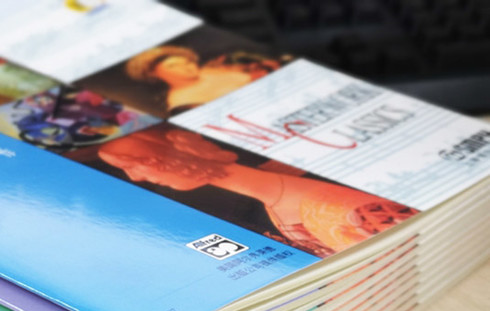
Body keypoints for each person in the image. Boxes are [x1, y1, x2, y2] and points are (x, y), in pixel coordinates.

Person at [96, 127, 417, 257]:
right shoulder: (280, 204)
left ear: (176, 154)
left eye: (136, 164)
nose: (135, 178)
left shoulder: (324, 206)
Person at [125, 45, 282, 116]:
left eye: (187, 62)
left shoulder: (218, 67)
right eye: (173, 66)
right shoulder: (183, 102)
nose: (185, 67)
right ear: (155, 74)